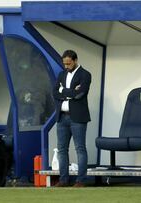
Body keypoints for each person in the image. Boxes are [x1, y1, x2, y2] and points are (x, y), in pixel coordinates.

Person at [52, 50, 91, 187]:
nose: (66, 66)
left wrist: (63, 91)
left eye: (69, 63)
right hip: (62, 117)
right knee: (62, 149)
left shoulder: (85, 75)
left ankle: (81, 181)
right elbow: (54, 92)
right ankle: (63, 180)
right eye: (64, 64)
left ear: (75, 60)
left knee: (80, 148)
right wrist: (69, 92)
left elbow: (80, 94)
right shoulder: (61, 74)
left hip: (78, 118)